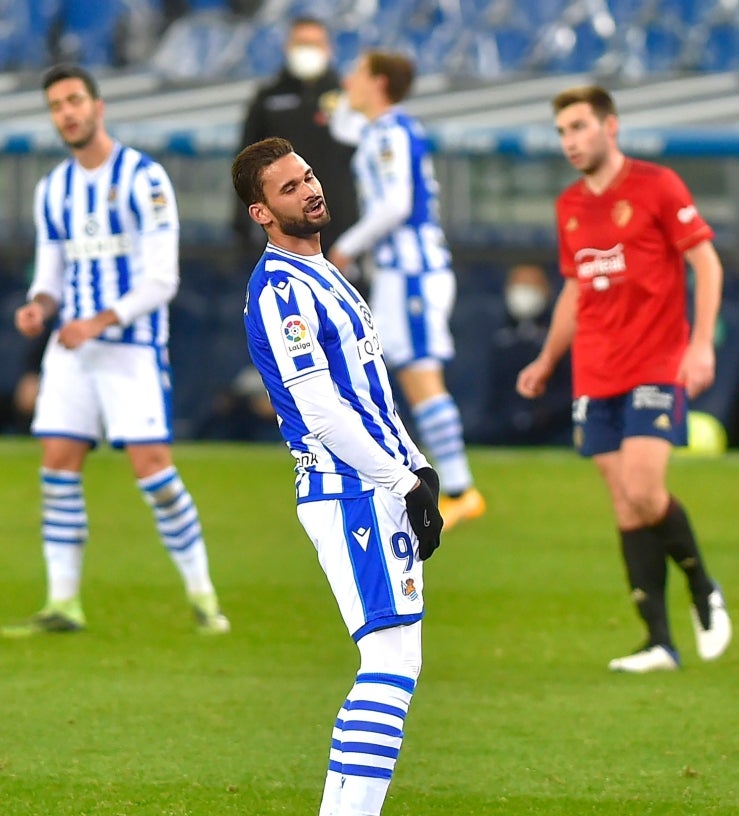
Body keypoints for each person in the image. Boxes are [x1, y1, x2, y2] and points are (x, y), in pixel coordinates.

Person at [232, 136, 447, 816]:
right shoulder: (281, 289)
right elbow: (321, 409)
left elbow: (369, 396)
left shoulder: (326, 274)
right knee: (389, 659)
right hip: (349, 488)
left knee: (394, 657)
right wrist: (400, 480)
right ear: (262, 212)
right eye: (289, 188)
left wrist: (417, 466)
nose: (310, 190)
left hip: (373, 481)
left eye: (309, 176)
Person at [3, 63, 229, 637]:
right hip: (72, 351)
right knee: (57, 467)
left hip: (131, 348)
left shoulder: (144, 178)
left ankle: (204, 597)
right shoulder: (53, 188)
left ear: (98, 106)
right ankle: (63, 603)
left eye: (75, 100)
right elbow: (50, 276)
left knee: (154, 475)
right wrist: (38, 307)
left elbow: (162, 279)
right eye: (57, 106)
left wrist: (98, 321)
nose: (67, 113)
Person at [516, 85, 732, 673]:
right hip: (595, 369)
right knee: (625, 502)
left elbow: (706, 262)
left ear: (610, 127)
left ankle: (703, 587)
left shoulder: (657, 185)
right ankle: (659, 642)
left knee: (643, 488)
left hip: (656, 361)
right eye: (563, 132)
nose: (570, 141)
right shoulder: (569, 206)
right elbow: (575, 288)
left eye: (579, 127)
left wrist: (701, 344)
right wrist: (547, 360)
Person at [327, 50, 485, 531]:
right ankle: (436, 482)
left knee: (420, 373)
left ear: (377, 82)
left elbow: (396, 204)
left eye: (357, 72)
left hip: (412, 270)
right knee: (404, 374)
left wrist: (346, 247)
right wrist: (340, 102)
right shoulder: (382, 129)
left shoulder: (390, 133)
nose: (348, 79)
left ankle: (459, 489)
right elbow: (341, 128)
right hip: (398, 272)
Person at [232, 16, 360, 261]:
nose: (308, 50)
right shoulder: (268, 98)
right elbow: (245, 165)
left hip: (339, 226)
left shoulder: (347, 98)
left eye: (315, 44)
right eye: (302, 43)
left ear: (329, 49)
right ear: (287, 47)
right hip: (283, 228)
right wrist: (243, 225)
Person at [483, 264, 572, 446]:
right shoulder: (500, 336)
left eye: (530, 286)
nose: (523, 292)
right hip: (505, 429)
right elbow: (493, 392)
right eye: (518, 285)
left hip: (557, 429)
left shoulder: (559, 334)